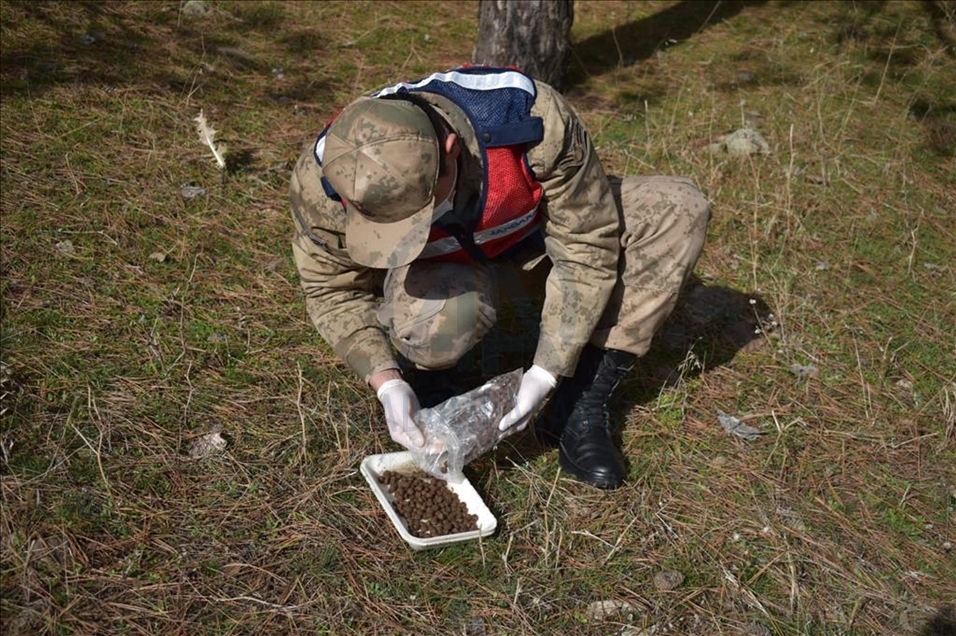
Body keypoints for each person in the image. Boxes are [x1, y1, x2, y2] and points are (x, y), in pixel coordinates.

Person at [289, 66, 710, 489]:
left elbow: (585, 244)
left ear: (451, 150)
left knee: (677, 209)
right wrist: (385, 381)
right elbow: (331, 289)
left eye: (417, 213)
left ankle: (579, 400)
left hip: (538, 244)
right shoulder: (324, 182)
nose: (409, 229)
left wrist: (547, 371)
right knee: (430, 323)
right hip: (448, 273)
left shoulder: (529, 120)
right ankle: (435, 380)